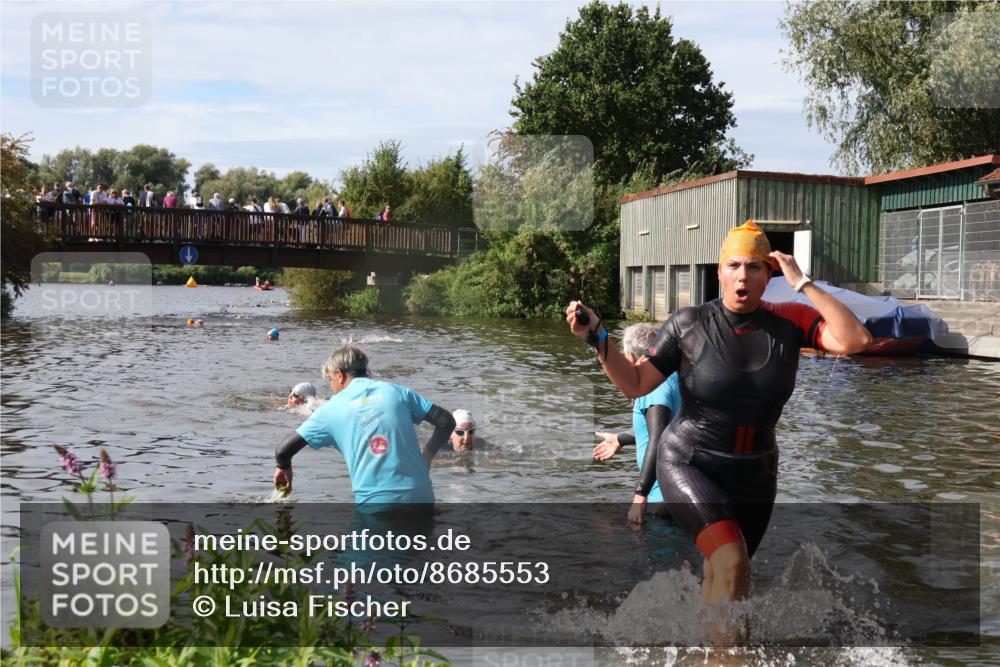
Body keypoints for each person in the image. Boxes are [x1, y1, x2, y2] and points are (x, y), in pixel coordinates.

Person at [566, 220, 871, 611]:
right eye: (734, 266)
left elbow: (855, 340)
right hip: (691, 461)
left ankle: (708, 648)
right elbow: (636, 384)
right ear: (719, 272)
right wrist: (599, 337)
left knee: (731, 580)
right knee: (731, 561)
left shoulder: (791, 321)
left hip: (756, 472)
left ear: (769, 275)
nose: (743, 276)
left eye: (754, 267)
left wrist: (804, 283)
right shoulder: (689, 323)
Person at [272, 344, 456, 504]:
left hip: (377, 503)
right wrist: (428, 454)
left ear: (339, 375)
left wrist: (283, 467)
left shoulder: (330, 409)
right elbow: (446, 421)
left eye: (330, 380)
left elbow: (283, 450)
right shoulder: (396, 391)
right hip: (421, 497)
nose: (331, 386)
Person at [591, 323, 681, 525]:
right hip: (683, 495)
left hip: (661, 500)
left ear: (630, 357)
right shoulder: (675, 377)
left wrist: (640, 495)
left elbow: (659, 437)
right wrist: (619, 439)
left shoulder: (651, 387)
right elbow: (669, 426)